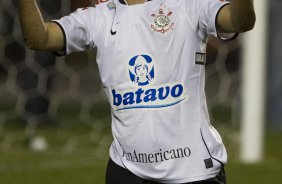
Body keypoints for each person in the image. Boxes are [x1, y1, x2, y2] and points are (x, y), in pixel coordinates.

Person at [17, 0, 255, 183]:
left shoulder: (188, 5)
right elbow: (40, 37)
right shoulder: (99, 15)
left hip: (192, 172)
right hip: (126, 170)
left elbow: (240, 21)